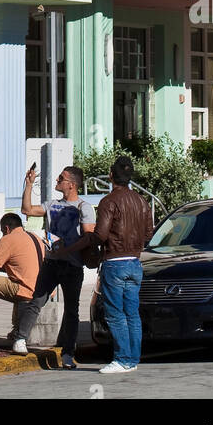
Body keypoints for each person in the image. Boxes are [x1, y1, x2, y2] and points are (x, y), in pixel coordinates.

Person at [15, 164, 97, 369]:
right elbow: (27, 210)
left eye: (61, 178)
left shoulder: (84, 207)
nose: (57, 180)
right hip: (51, 263)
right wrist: (28, 185)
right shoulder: (51, 204)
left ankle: (68, 353)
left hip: (72, 266)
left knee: (72, 310)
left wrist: (66, 250)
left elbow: (89, 238)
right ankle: (20, 338)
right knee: (36, 300)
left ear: (71, 185)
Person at [94, 155, 154, 373]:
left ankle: (122, 359)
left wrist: (90, 244)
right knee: (132, 313)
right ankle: (132, 360)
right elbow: (149, 233)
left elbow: (100, 234)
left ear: (111, 175)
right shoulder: (142, 201)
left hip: (115, 261)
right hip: (135, 262)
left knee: (114, 313)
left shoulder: (108, 201)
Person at [0, 213, 46, 341]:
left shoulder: (8, 239)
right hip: (42, 289)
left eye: (2, 231)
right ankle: (16, 330)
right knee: (15, 281)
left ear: (6, 228)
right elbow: (20, 267)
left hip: (26, 289)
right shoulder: (35, 237)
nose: (2, 234)